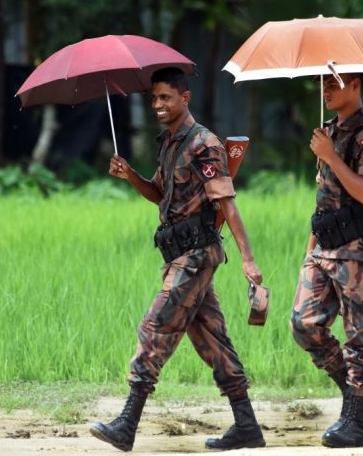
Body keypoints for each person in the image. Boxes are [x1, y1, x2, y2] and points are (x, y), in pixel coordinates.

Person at [89, 67, 266, 452]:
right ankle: (247, 427)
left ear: (185, 98)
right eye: (153, 98)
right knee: (212, 341)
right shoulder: (170, 143)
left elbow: (226, 202)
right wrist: (129, 175)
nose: (157, 105)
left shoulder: (204, 144)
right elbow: (158, 193)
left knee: (156, 326)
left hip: (197, 256)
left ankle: (127, 423)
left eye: (165, 97)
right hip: (179, 255)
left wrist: (247, 259)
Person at [290, 72, 363, 448]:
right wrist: (308, 251)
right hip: (324, 248)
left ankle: (355, 423)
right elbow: (325, 199)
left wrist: (330, 155)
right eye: (322, 83)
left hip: (358, 252)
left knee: (359, 337)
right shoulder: (327, 132)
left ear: (357, 85)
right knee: (304, 324)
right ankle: (357, 393)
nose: (326, 89)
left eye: (334, 82)